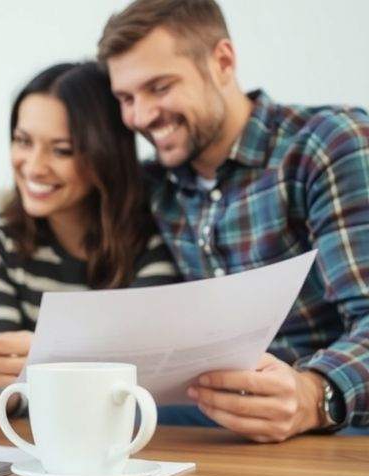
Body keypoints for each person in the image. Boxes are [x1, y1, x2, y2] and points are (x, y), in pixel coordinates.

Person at [98, 0, 369, 441]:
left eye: (160, 87)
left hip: (338, 419)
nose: (141, 117)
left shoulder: (324, 145)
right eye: (126, 99)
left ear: (222, 61)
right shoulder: (156, 186)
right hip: (212, 415)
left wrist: (313, 394)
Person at [0, 62, 179, 415]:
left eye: (62, 150)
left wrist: (41, 361)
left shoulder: (151, 244)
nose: (34, 166)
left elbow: (140, 387)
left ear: (104, 155)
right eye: (23, 141)